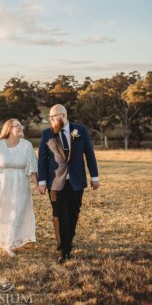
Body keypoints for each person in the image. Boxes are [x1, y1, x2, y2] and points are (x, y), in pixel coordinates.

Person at [38, 104, 99, 264]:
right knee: (58, 216)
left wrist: (94, 176)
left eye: (53, 117)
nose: (51, 120)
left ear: (63, 115)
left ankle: (68, 243)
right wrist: (42, 181)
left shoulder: (80, 130)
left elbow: (90, 154)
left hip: (77, 181)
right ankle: (62, 251)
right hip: (55, 182)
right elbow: (42, 159)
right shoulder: (47, 134)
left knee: (73, 214)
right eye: (49, 117)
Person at [0, 118, 38, 257]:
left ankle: (9, 243)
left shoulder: (27, 145)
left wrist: (37, 185)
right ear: (9, 129)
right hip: (0, 185)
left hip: (21, 185)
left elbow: (32, 167)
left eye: (21, 125)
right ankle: (1, 237)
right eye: (17, 125)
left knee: (17, 212)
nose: (21, 127)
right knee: (0, 212)